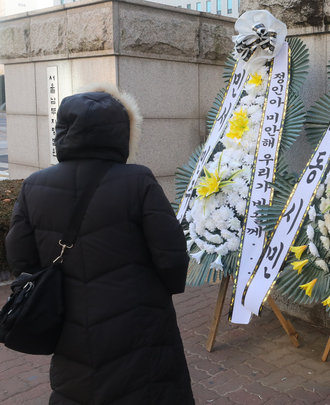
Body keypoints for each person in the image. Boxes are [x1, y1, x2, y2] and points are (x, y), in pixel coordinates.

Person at [5, 84, 195, 405]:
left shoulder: (34, 185)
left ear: (64, 130)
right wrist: (165, 291)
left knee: (79, 388)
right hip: (139, 322)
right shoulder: (138, 180)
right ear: (119, 133)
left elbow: (21, 258)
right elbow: (173, 256)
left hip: (70, 323)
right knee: (148, 388)